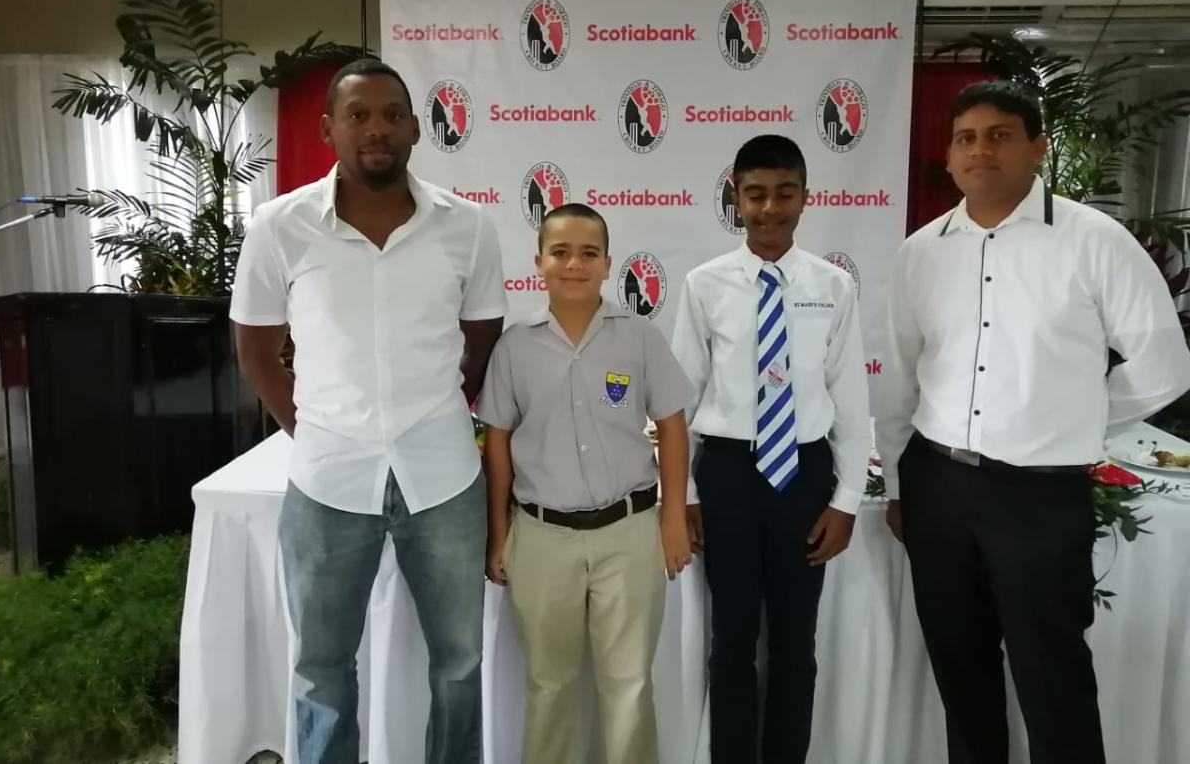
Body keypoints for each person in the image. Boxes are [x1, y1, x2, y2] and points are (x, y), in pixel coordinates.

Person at [875, 79, 1190, 764]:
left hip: (1041, 496)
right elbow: (899, 375)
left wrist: (1073, 421)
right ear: (950, 157)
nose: (979, 150)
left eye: (999, 135)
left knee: (1054, 682)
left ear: (1037, 147)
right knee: (962, 677)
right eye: (965, 138)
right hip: (939, 489)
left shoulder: (1093, 241)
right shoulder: (921, 251)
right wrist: (901, 489)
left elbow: (1164, 364)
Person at [230, 58, 506, 764]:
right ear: (328, 129)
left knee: (459, 664)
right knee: (321, 670)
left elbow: (480, 343)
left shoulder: (467, 227)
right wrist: (315, 427)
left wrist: (436, 409)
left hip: (442, 476)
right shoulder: (278, 226)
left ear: (416, 127)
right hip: (327, 482)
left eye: (390, 114)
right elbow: (258, 352)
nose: (375, 129)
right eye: (357, 115)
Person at [671, 134, 870, 764]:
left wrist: (845, 501)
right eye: (756, 194)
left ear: (806, 197)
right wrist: (688, 493)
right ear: (736, 199)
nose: (771, 207)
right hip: (727, 472)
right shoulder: (705, 285)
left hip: (803, 476)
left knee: (794, 642)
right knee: (731, 640)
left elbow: (852, 401)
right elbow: (680, 396)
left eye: (785, 193)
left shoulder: (832, 285)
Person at [478, 203, 693, 764]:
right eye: (561, 252)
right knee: (549, 685)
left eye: (589, 253)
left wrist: (672, 517)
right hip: (543, 537)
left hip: (629, 533)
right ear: (539, 263)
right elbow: (497, 442)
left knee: (629, 687)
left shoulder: (639, 337)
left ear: (607, 265)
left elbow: (672, 425)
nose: (574, 264)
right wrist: (499, 534)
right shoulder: (514, 346)